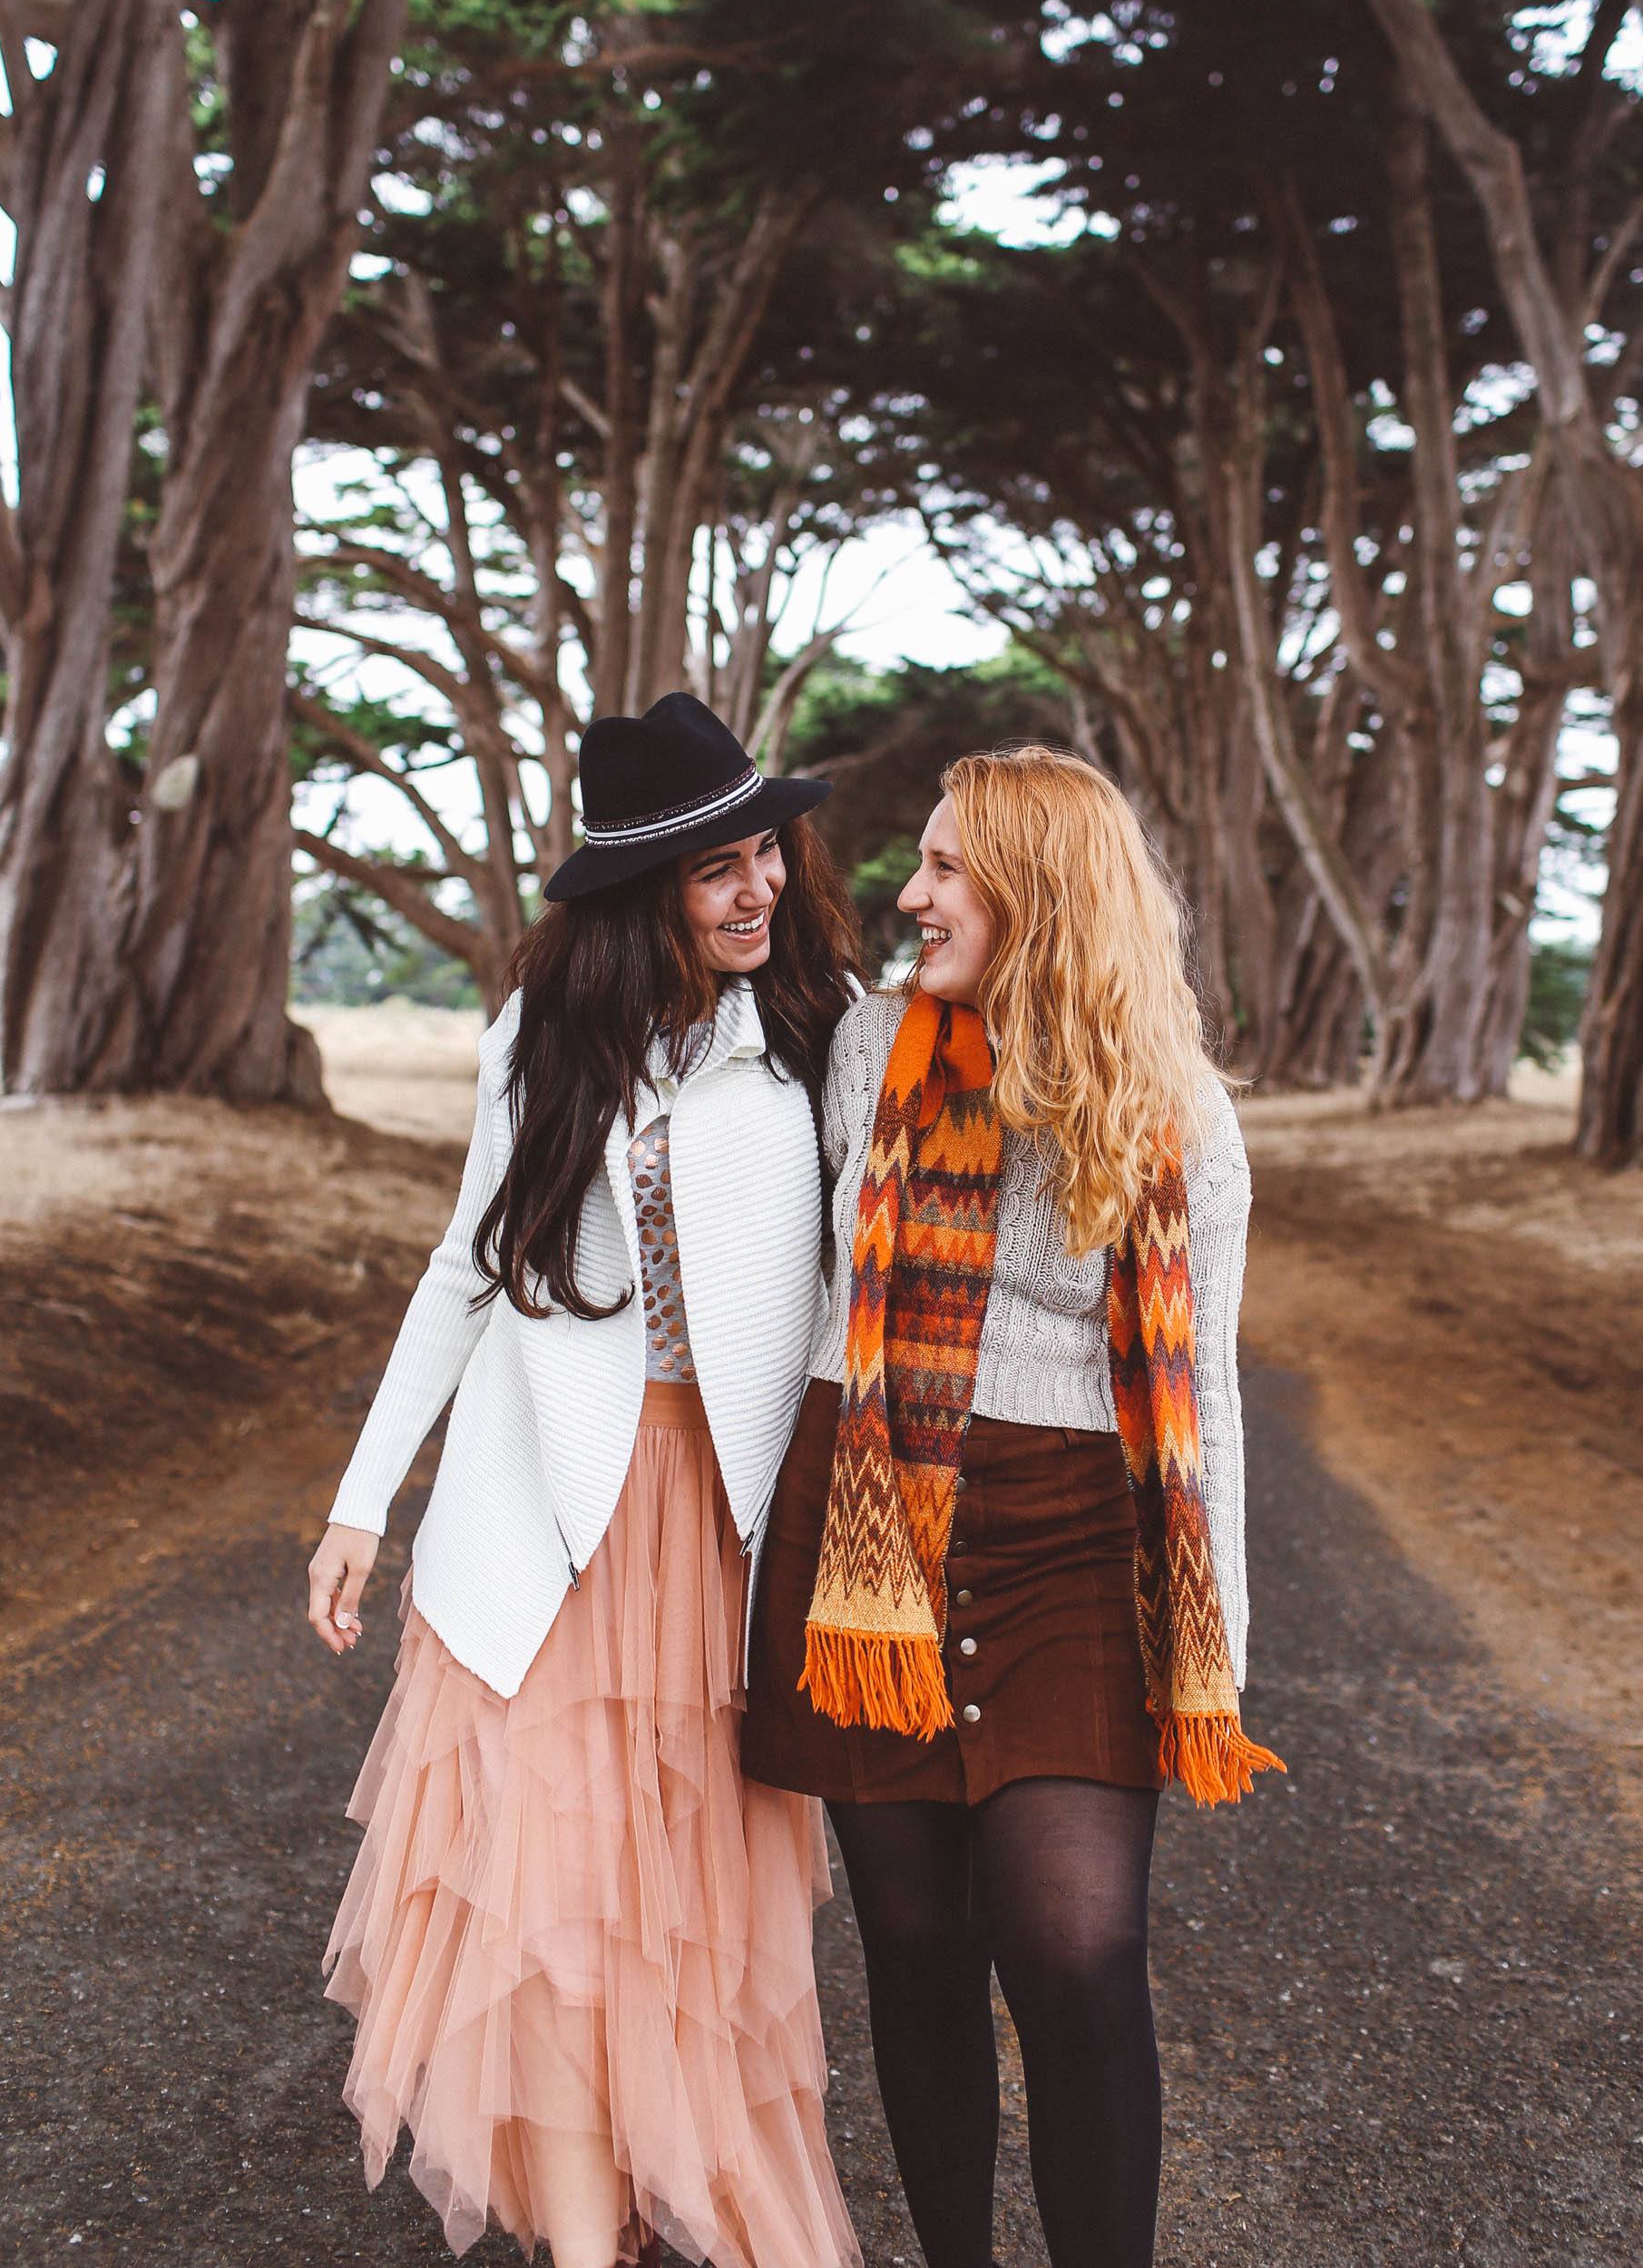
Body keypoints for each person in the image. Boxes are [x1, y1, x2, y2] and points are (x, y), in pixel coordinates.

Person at [308, 694, 865, 2268]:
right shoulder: (540, 1040)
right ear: (644, 898)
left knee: (693, 1909)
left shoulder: (818, 1031)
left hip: (721, 1520)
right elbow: (461, 1278)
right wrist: (364, 1500)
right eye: (718, 872)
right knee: (547, 1900)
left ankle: (714, 2194)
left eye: (767, 853)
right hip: (542, 1512)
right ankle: (574, 2239)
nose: (758, 889)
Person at [744, 744, 1282, 2268]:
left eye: (943, 868)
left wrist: (1211, 1638)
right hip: (873, 1536)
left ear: (1036, 887)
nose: (907, 896)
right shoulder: (867, 1051)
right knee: (914, 1956)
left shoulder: (1181, 1114)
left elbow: (1210, 1400)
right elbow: (796, 1296)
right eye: (914, 864)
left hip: (1073, 1544)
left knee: (1079, 1956)